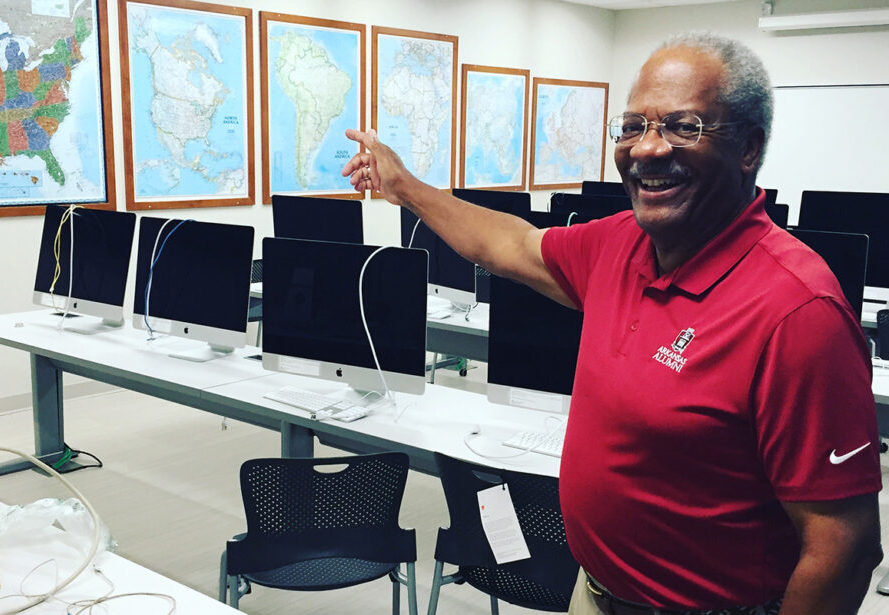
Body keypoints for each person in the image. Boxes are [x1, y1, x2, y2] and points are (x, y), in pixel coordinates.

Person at [342, 31, 882, 615]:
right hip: (596, 592)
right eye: (632, 127)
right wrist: (405, 187)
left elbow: (843, 550)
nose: (647, 149)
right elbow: (509, 244)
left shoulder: (798, 312)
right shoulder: (622, 243)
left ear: (749, 148)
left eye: (683, 126)